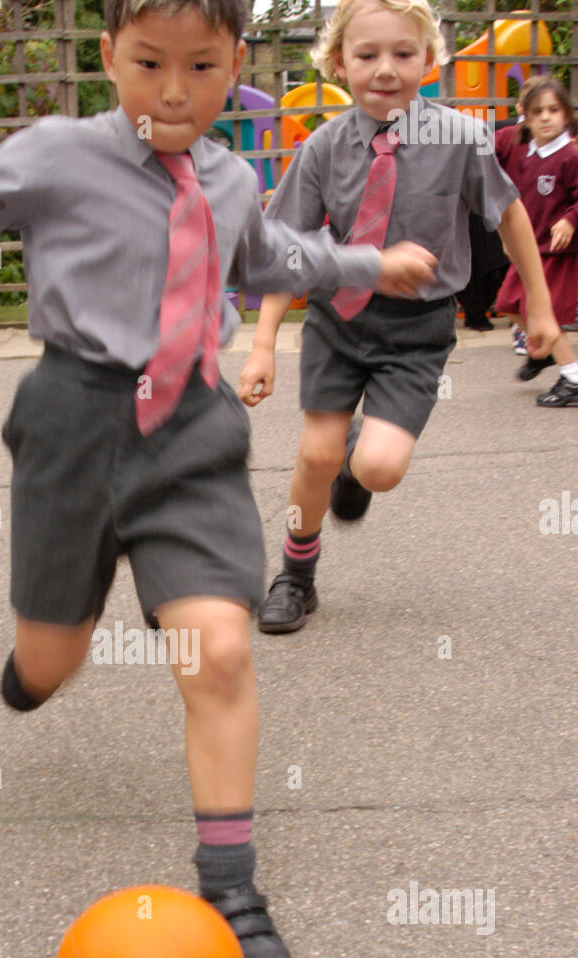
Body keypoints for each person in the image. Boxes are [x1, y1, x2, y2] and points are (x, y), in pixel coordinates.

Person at [0, 0, 436, 958]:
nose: (173, 93)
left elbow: (273, 261)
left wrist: (371, 264)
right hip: (73, 425)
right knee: (48, 663)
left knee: (218, 650)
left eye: (201, 66)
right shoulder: (55, 153)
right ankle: (43, 662)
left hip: (191, 428)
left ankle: (233, 893)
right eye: (147, 64)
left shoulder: (227, 175)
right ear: (108, 57)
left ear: (236, 65)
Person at [241, 0, 559, 637]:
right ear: (339, 64)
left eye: (403, 53)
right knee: (314, 453)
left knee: (379, 469)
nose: (385, 69)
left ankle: (359, 455)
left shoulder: (462, 138)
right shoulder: (325, 148)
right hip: (339, 318)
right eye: (367, 55)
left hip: (418, 329)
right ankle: (296, 575)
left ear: (429, 61)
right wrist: (264, 342)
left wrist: (543, 306)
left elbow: (510, 214)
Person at [494, 76, 578, 407]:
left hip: (558, 254)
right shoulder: (524, 152)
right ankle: (544, 351)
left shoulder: (570, 156)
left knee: (549, 316)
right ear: (526, 117)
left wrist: (570, 221)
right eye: (538, 111)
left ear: (566, 115)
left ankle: (572, 376)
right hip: (530, 250)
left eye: (553, 110)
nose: (545, 117)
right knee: (509, 304)